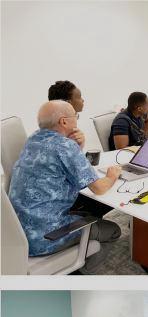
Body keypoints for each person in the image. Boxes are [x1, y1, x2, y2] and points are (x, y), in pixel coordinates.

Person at [8, 101, 121, 257]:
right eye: (76, 116)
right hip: (46, 237)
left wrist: (77, 147)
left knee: (89, 208)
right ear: (64, 121)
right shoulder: (64, 146)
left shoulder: (33, 139)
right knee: (113, 230)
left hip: (18, 233)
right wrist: (112, 176)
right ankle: (81, 272)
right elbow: (99, 188)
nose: (77, 119)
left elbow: (63, 166)